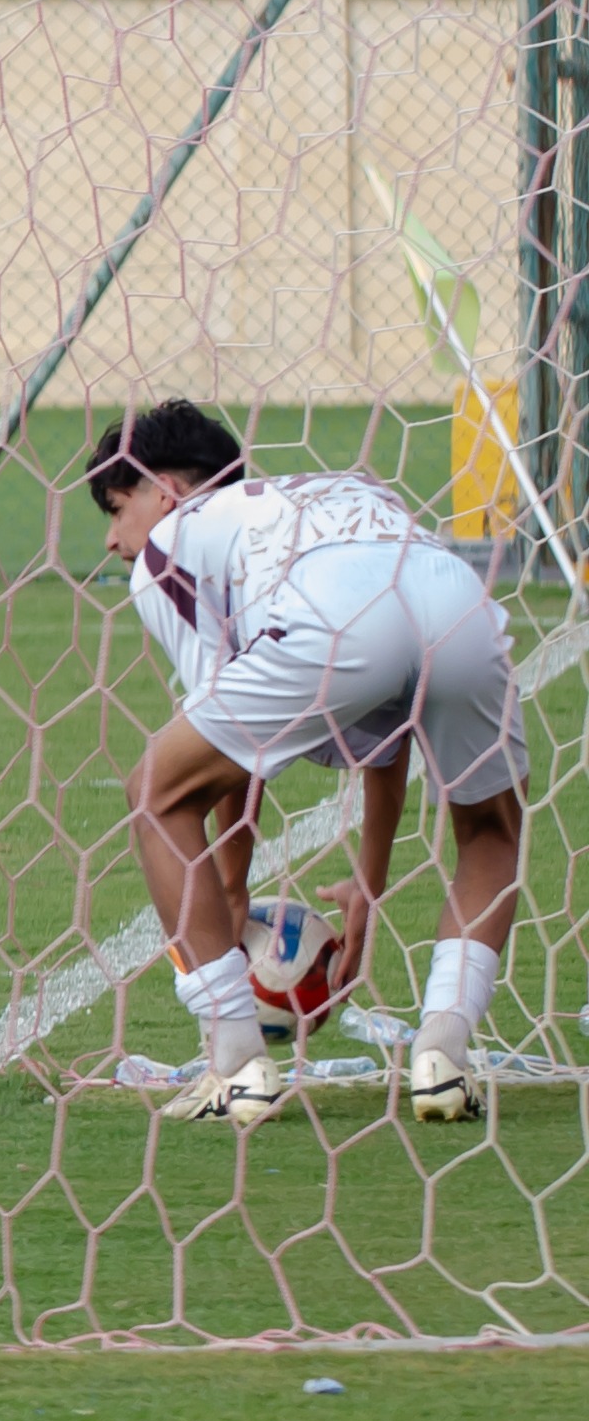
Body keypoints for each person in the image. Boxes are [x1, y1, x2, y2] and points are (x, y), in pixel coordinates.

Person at [83, 399, 529, 1128]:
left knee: (157, 793)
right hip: (453, 594)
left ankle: (234, 1062)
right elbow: (390, 734)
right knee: (489, 831)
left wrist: (230, 892)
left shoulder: (172, 544)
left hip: (334, 611)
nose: (114, 539)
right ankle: (443, 1052)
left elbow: (232, 763)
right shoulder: (318, 493)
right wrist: (367, 884)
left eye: (117, 506)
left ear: (165, 491)